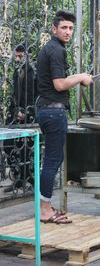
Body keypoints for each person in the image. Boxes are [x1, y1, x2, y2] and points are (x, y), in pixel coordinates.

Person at [36, 10, 93, 224]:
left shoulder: (51, 49)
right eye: (64, 28)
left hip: (48, 110)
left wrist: (80, 77)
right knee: (52, 161)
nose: (68, 32)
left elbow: (56, 80)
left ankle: (46, 206)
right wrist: (80, 77)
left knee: (55, 159)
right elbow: (59, 84)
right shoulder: (56, 51)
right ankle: (44, 210)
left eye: (70, 28)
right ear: (54, 29)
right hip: (53, 111)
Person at [4, 45, 36, 193]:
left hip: (28, 114)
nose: (17, 59)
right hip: (15, 114)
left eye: (20, 56)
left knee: (27, 148)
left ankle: (29, 179)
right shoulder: (18, 71)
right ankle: (18, 179)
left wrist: (25, 111)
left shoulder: (33, 72)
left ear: (28, 55)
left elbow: (33, 94)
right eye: (16, 56)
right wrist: (15, 110)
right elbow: (16, 93)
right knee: (9, 145)